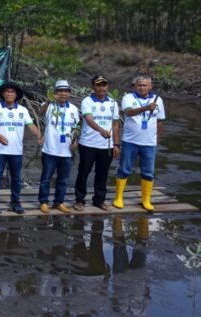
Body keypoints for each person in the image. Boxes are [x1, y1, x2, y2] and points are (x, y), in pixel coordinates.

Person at [0, 81, 41, 214]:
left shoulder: (22, 110)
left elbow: (30, 125)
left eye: (12, 91)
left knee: (16, 178)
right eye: (7, 91)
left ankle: (15, 202)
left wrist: (39, 135)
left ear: (16, 95)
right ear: (3, 94)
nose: (9, 93)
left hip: (16, 151)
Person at [113, 75, 166, 212]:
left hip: (149, 143)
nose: (142, 88)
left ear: (150, 86)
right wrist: (146, 108)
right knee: (124, 169)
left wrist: (157, 139)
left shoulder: (158, 100)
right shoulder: (128, 98)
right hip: (130, 141)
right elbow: (128, 112)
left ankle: (146, 200)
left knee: (148, 172)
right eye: (139, 85)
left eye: (145, 85)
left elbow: (159, 121)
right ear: (135, 86)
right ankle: (119, 197)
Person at [74, 75, 120, 211]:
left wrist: (116, 144)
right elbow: (88, 119)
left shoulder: (113, 103)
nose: (101, 88)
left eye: (104, 85)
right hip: (88, 144)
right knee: (83, 172)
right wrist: (100, 130)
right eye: (98, 85)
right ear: (93, 86)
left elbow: (116, 124)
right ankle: (79, 200)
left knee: (102, 173)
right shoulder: (87, 101)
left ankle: (99, 200)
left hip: (106, 145)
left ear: (107, 86)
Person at [37, 80, 81, 214]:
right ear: (55, 93)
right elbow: (40, 112)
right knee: (46, 178)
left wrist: (75, 141)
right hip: (50, 149)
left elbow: (76, 127)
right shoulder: (48, 105)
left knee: (63, 179)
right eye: (60, 91)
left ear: (69, 93)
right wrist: (50, 100)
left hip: (66, 151)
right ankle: (43, 202)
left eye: (65, 91)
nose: (63, 93)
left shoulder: (73, 108)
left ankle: (59, 202)